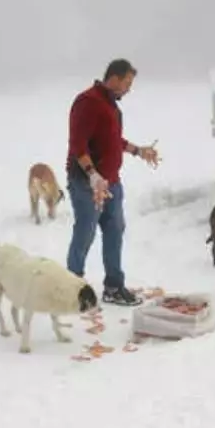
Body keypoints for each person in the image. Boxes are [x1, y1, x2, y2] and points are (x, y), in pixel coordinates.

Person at [64, 58, 160, 307]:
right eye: (127, 82)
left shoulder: (111, 107)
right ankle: (72, 289)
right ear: (114, 78)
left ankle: (114, 286)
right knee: (85, 233)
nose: (129, 88)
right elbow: (78, 145)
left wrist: (139, 151)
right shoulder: (87, 102)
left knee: (115, 231)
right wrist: (93, 175)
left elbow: (113, 139)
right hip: (87, 184)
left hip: (111, 184)